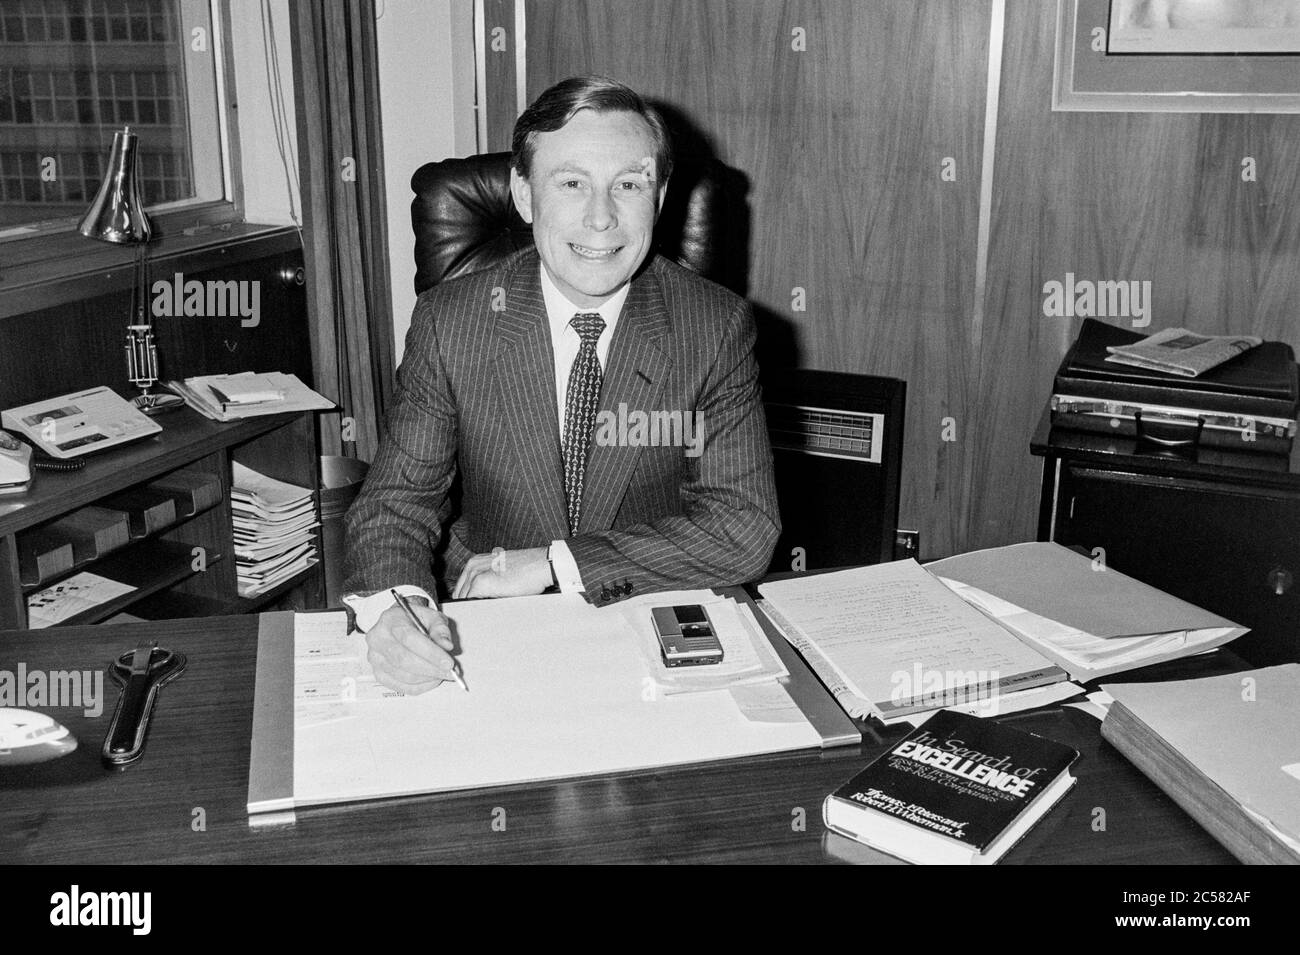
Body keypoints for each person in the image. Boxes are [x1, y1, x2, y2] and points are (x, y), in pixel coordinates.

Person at [342, 76, 779, 693]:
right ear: (523, 194)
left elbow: (743, 527)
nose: (601, 218)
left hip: (646, 625)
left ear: (659, 198)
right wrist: (397, 608)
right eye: (571, 183)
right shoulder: (453, 321)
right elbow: (395, 503)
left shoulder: (713, 327)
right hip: (490, 630)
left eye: (629, 184)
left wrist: (557, 563)